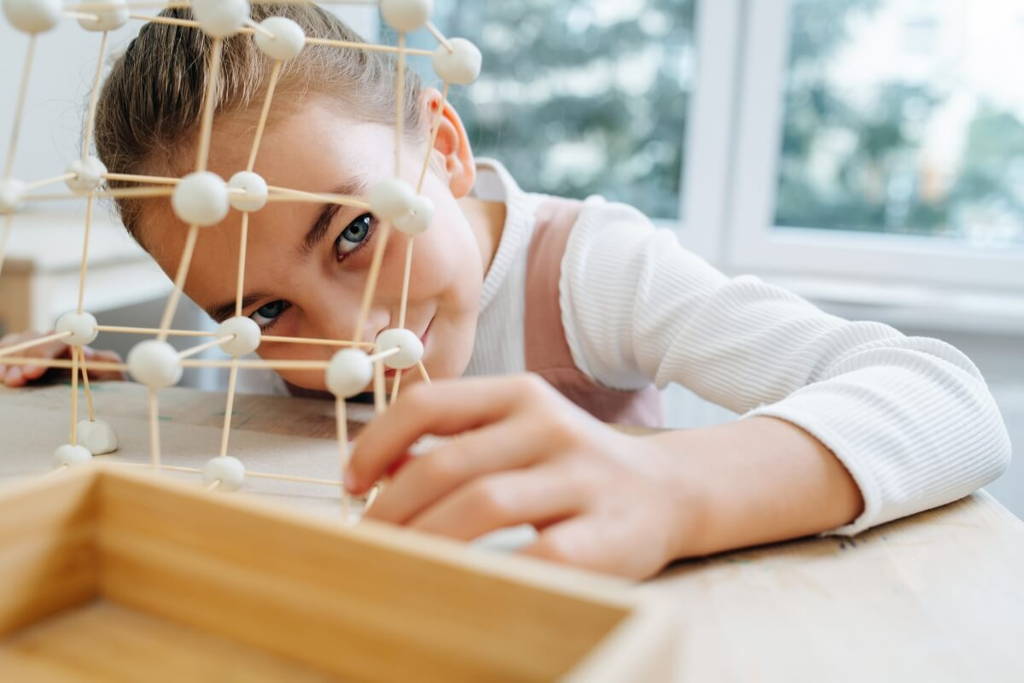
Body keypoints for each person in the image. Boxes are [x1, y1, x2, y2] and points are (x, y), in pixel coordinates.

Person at [0, 5, 1010, 578]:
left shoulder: (587, 268)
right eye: (260, 312)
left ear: (442, 148)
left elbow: (946, 400)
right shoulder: (266, 349)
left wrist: (670, 486)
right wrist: (125, 377)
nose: (358, 334)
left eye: (354, 231)